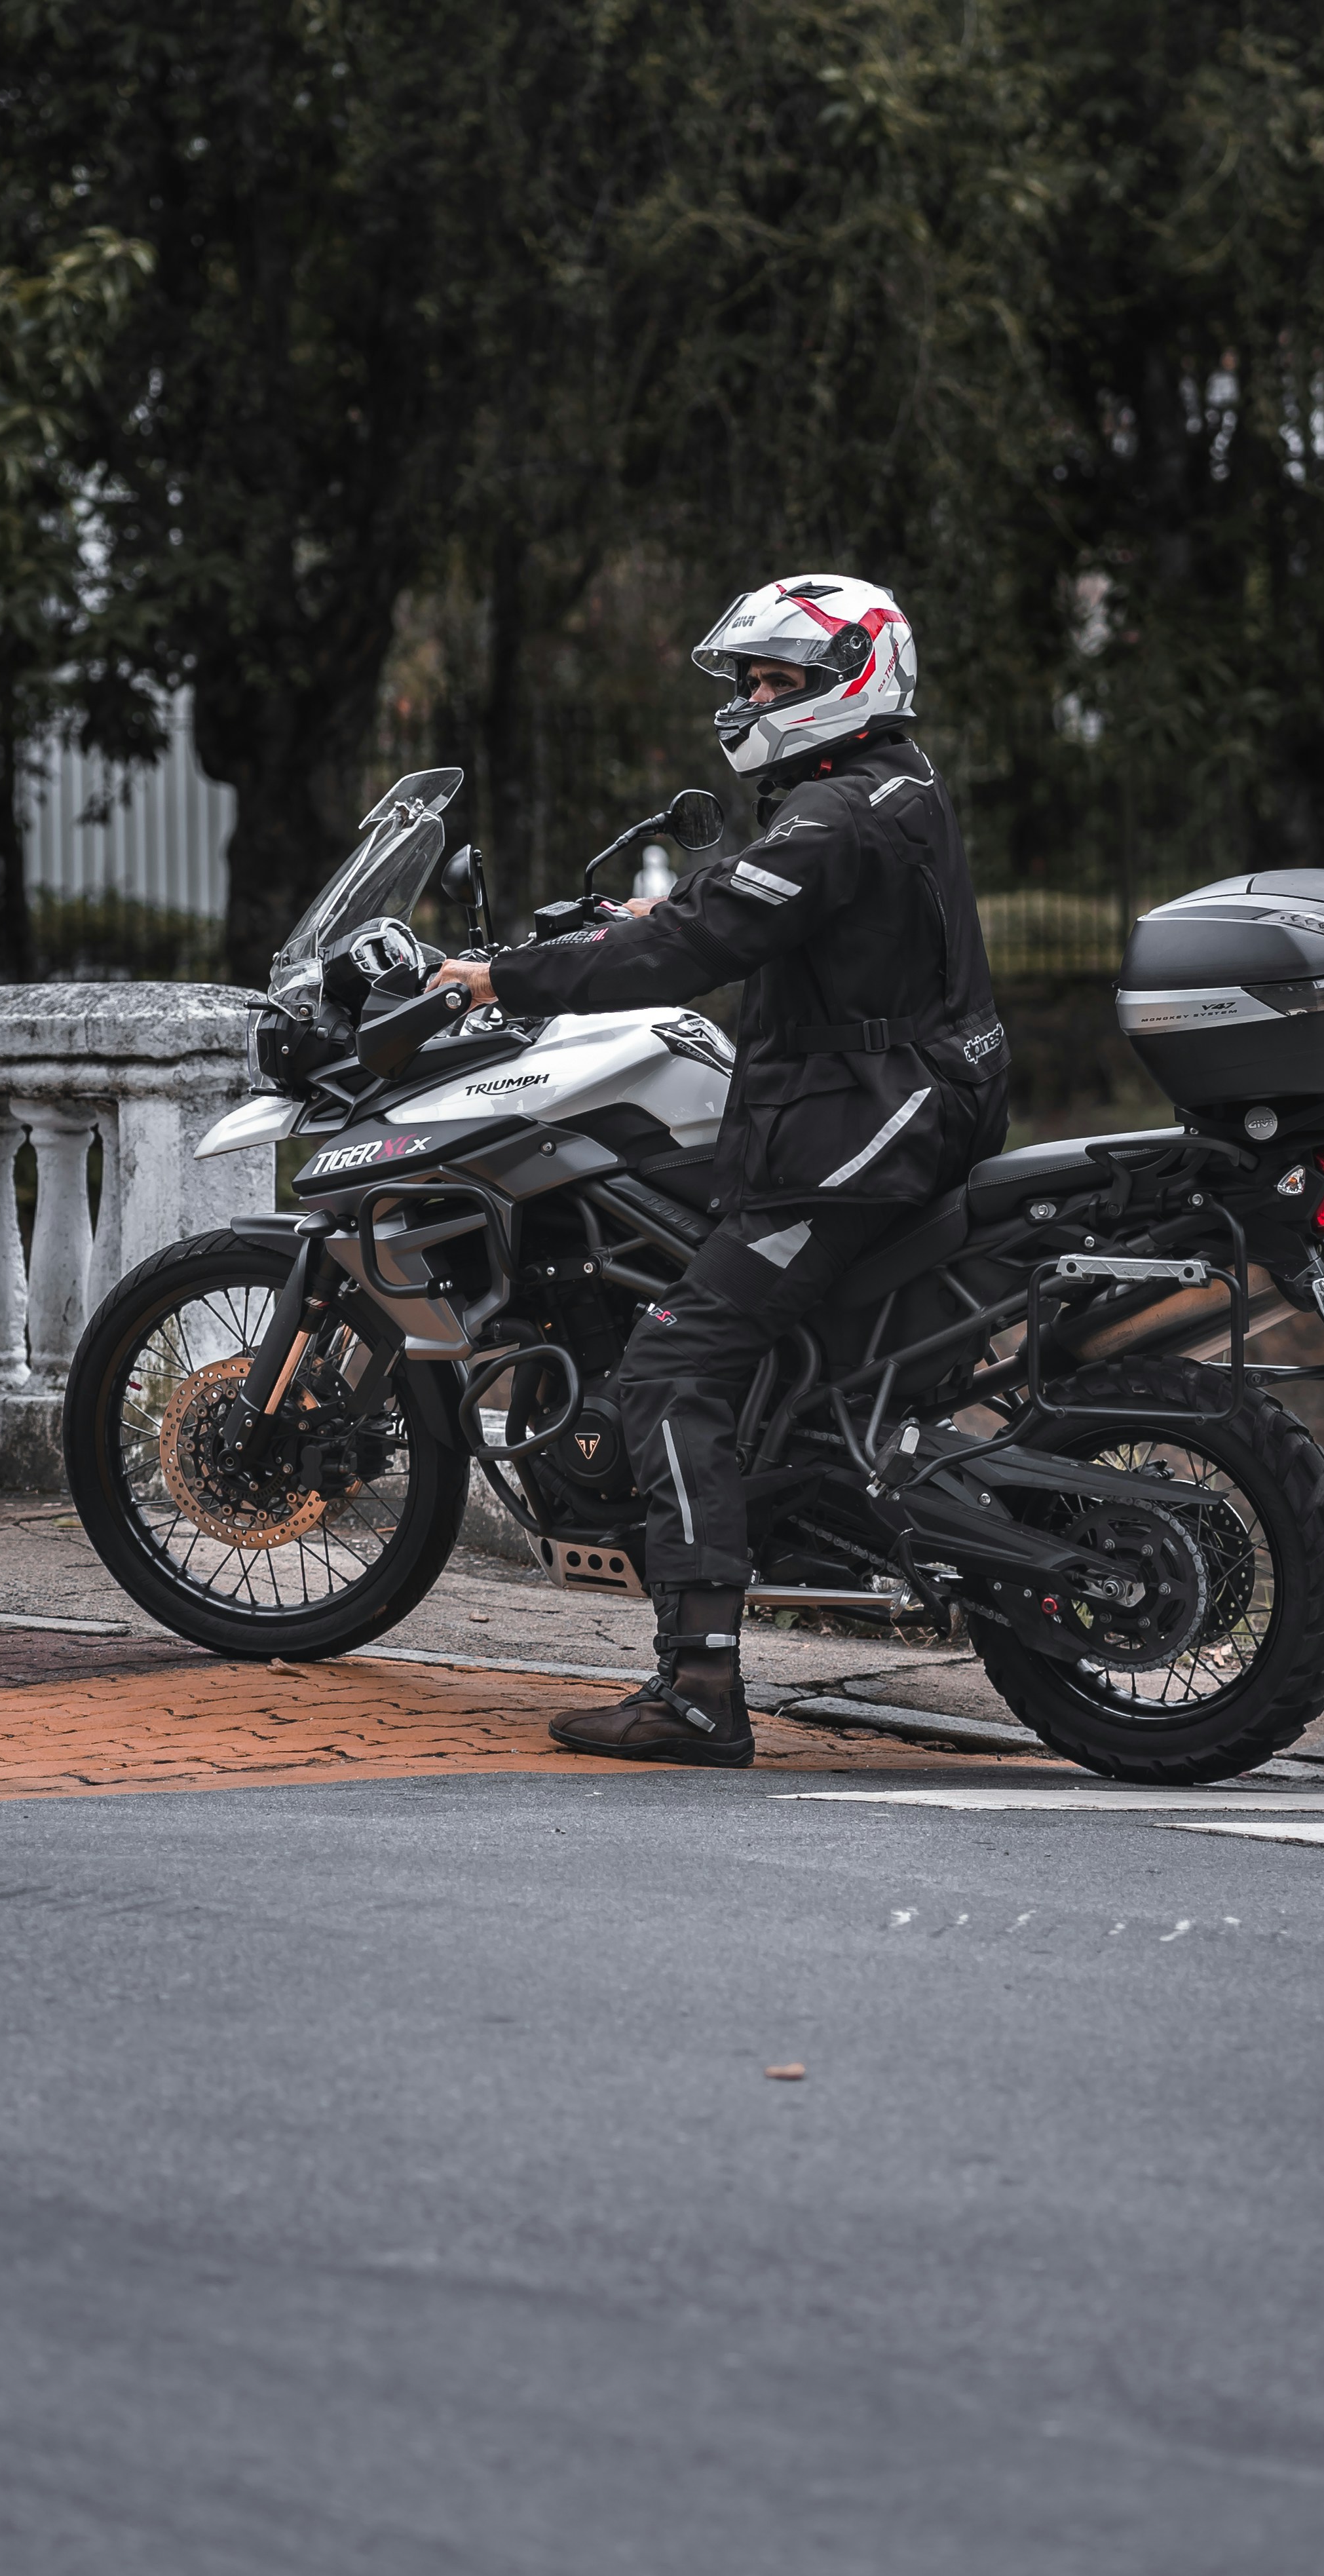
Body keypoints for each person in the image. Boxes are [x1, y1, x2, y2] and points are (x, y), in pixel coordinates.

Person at [428, 574, 1010, 1766]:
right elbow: (743, 912)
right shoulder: (881, 786)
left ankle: (697, 1688)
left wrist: (504, 979)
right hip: (901, 1107)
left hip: (860, 1135)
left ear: (854, 680)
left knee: (671, 1367)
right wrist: (634, 921)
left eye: (778, 681)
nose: (752, 700)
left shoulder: (835, 814)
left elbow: (701, 944)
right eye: (749, 680)